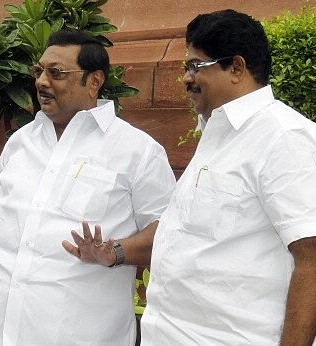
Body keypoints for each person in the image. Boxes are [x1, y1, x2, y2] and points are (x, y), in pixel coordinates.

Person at [63, 9, 316, 346]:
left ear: (237, 68)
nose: (185, 77)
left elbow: (312, 258)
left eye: (196, 66)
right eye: (187, 66)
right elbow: (190, 239)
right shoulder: (218, 134)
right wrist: (116, 253)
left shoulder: (284, 136)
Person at [0, 29, 176, 345]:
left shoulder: (137, 150)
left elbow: (169, 234)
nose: (41, 82)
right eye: (39, 71)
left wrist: (114, 252)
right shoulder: (20, 144)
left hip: (78, 335)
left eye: (56, 73)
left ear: (94, 81)